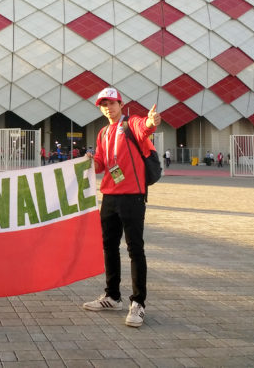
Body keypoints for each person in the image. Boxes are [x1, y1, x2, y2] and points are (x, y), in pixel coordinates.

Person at [83, 87, 161, 328]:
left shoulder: (132, 124)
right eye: (103, 104)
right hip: (109, 196)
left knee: (135, 249)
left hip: (132, 197)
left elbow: (145, 128)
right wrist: (87, 161)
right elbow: (100, 165)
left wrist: (150, 121)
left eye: (112, 103)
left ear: (120, 104)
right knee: (109, 247)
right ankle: (112, 295)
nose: (108, 108)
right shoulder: (103, 132)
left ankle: (138, 303)